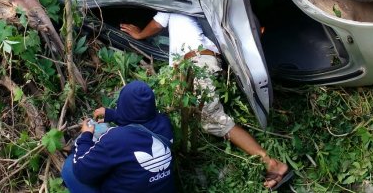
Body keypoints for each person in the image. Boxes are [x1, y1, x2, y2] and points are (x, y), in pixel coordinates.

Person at [120, 12, 292, 190]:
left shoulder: (174, 2)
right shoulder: (185, 5)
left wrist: (139, 34)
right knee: (194, 115)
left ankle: (272, 164)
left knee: (212, 118)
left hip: (197, 61)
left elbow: (157, 23)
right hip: (191, 64)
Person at [61, 80, 175, 193]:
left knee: (70, 168)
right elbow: (142, 118)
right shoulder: (165, 123)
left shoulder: (116, 138)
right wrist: (113, 115)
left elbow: (82, 171)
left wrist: (85, 136)